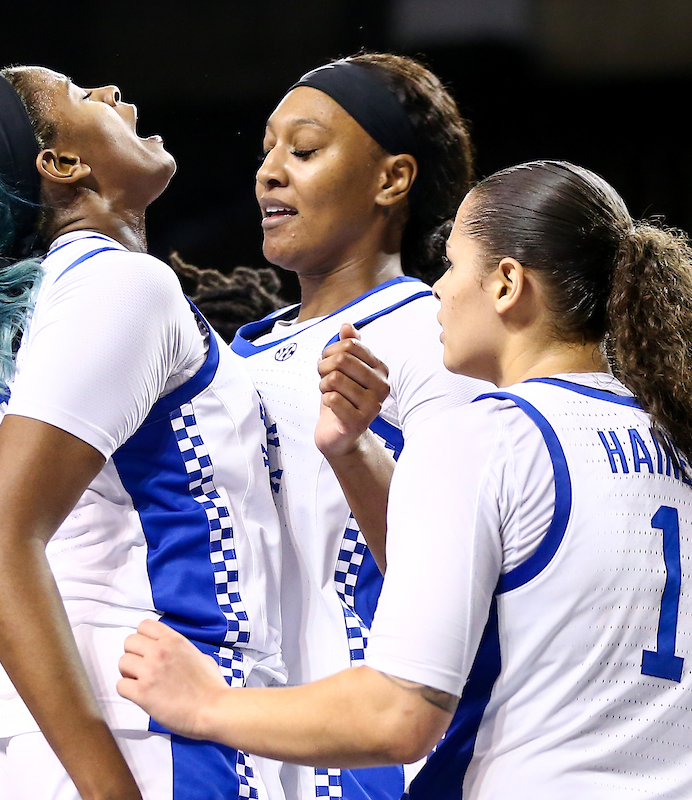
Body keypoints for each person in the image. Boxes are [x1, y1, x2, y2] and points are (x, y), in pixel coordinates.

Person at [118, 160, 692, 798]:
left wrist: (208, 704)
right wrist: (354, 453)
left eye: (451, 267)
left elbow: (399, 718)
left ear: (506, 283)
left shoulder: (487, 433)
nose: (438, 290)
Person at [0, 67, 284, 800]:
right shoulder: (117, 286)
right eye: (77, 94)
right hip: (139, 730)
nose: (109, 93)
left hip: (53, 732)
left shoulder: (38, 325)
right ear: (62, 165)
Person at [216, 53, 488, 800]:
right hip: (239, 744)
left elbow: (455, 579)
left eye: (302, 150)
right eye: (266, 150)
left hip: (365, 763)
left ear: (391, 179)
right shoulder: (242, 349)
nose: (270, 172)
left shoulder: (436, 339)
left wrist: (356, 451)